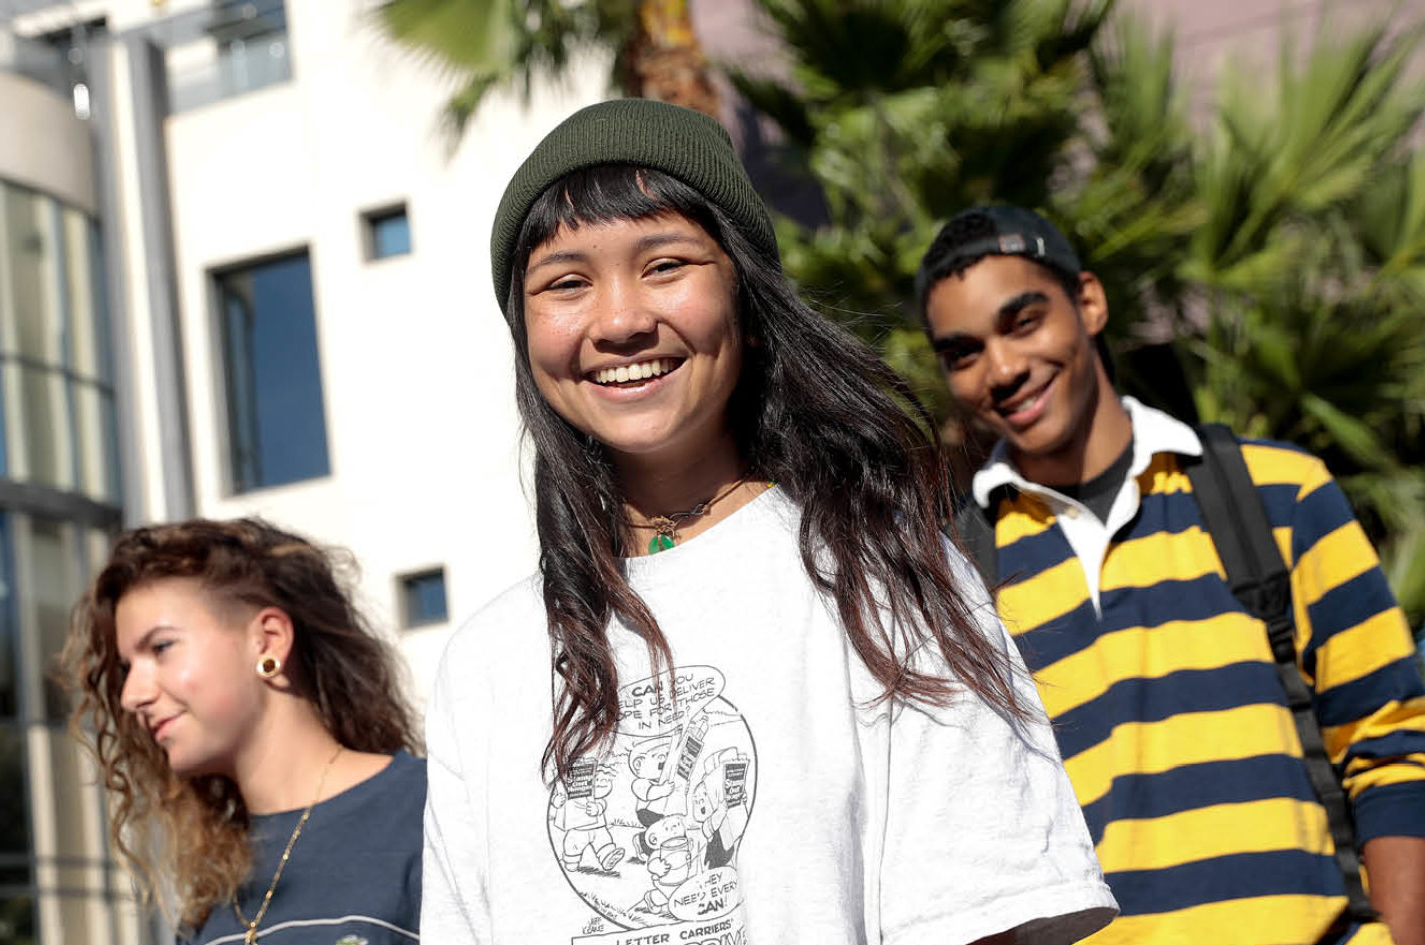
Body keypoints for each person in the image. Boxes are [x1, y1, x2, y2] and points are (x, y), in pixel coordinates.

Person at [420, 98, 1117, 945]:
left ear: (746, 298)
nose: (618, 320)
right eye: (565, 282)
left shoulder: (882, 575)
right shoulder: (484, 666)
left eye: (665, 264)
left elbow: (980, 920)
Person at [918, 205, 1425, 945]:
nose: (1002, 368)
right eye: (964, 352)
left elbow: (1392, 747)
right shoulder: (955, 580)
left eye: (1023, 321)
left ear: (1091, 303)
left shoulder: (1276, 494)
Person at [63, 518, 424, 945]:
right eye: (127, 669)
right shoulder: (212, 892)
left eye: (161, 648)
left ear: (268, 641)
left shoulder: (430, 810)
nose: (131, 696)